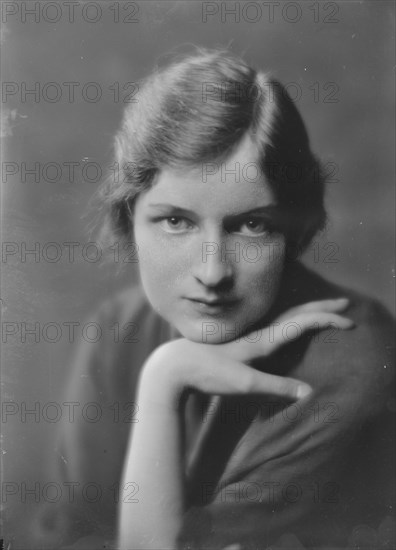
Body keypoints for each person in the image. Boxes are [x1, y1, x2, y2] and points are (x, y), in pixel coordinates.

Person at [32, 49, 395, 550]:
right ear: (129, 218)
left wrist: (162, 381)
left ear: (292, 230)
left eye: (252, 225)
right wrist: (168, 370)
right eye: (176, 221)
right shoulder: (120, 326)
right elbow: (73, 534)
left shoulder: (352, 363)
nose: (212, 272)